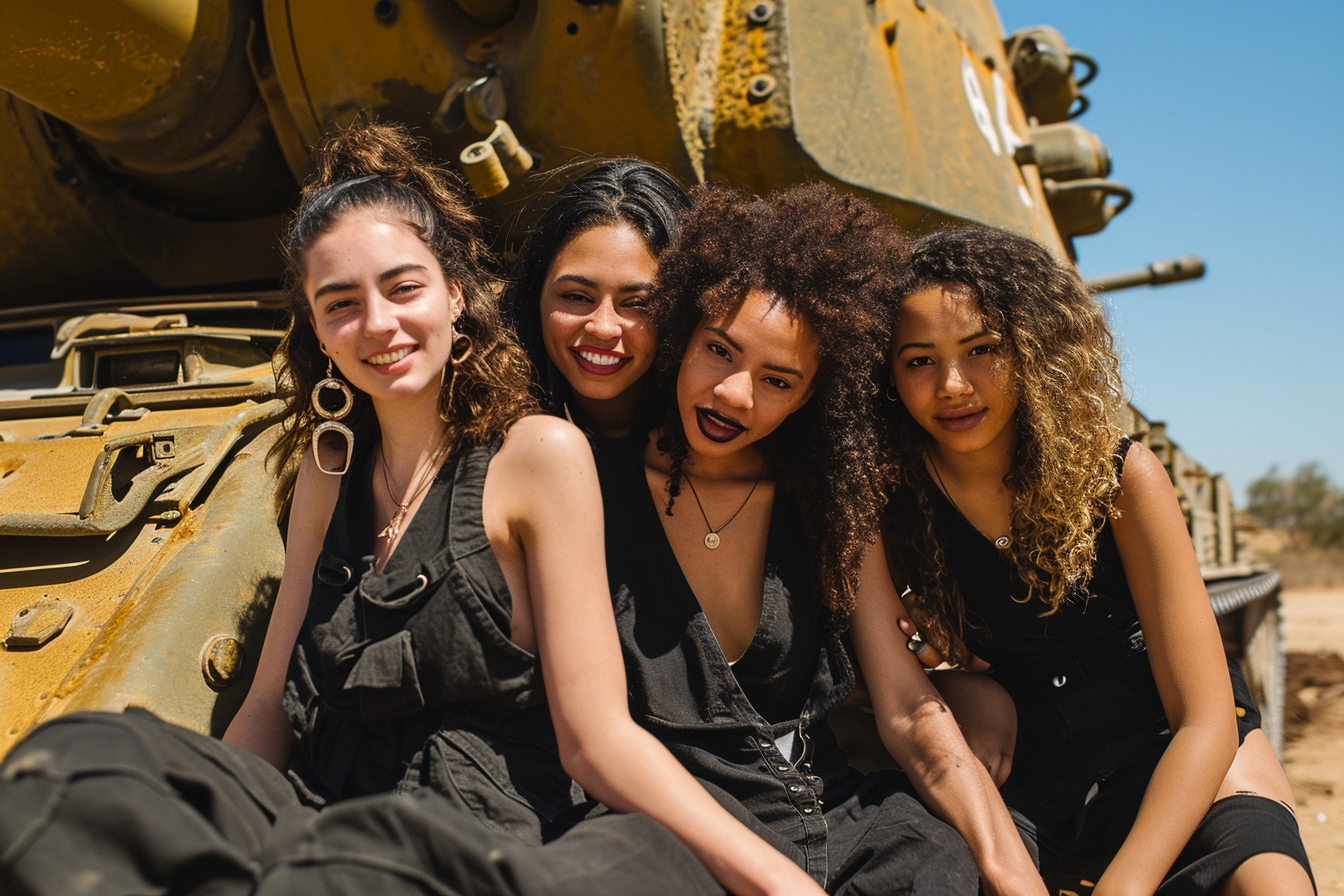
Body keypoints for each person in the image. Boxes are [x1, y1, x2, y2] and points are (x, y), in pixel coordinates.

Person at [0, 124, 826, 896]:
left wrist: (776, 880)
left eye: (403, 288)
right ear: (320, 332)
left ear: (457, 294)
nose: (380, 325)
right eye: (342, 303)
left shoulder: (537, 456)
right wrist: (210, 807)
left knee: (357, 869)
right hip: (317, 799)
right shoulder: (329, 468)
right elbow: (266, 707)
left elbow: (596, 737)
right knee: (80, 760)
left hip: (472, 825)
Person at [595, 182, 1046, 896]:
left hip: (831, 813)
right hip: (674, 834)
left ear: (815, 394)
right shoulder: (585, 487)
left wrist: (1008, 868)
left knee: (949, 860)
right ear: (680, 336)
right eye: (719, 351)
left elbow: (903, 706)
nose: (736, 395)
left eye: (779, 379)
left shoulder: (826, 503)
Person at [880, 226, 1315, 896]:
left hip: (1163, 736)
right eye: (918, 360)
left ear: (1032, 348)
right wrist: (964, 686)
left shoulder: (1116, 478)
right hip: (1026, 755)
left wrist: (1126, 888)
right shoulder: (890, 498)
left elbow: (1204, 718)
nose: (953, 385)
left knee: (1271, 885)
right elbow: (865, 682)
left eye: (984, 349)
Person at [502, 159, 690, 439]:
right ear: (535, 292)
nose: (602, 328)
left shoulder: (731, 460)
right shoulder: (481, 433)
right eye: (577, 297)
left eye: (638, 304)